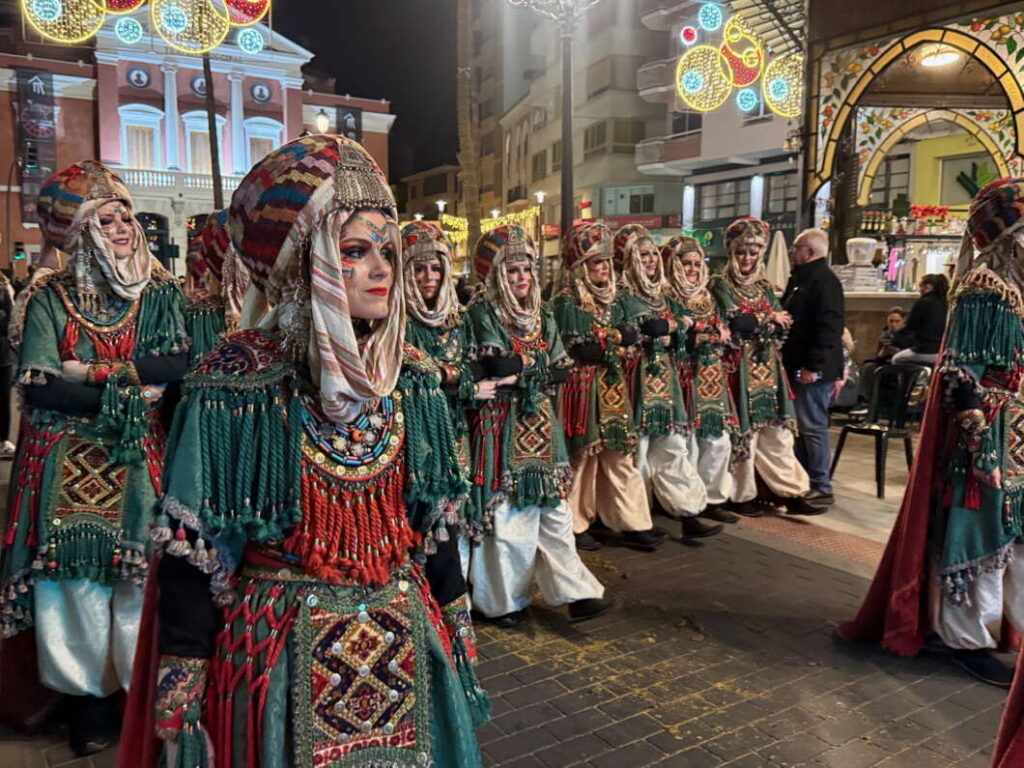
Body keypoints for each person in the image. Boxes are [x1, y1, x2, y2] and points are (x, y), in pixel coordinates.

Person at [119, 135, 488, 767]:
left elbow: (436, 528)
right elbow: (198, 552)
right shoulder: (234, 385)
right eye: (353, 251)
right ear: (300, 262)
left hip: (406, 649)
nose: (381, 269)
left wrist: (457, 641)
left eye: (387, 252)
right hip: (276, 660)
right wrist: (182, 692)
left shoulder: (412, 379)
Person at [0, 160, 189, 756]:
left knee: (139, 582)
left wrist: (98, 373)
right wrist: (131, 390)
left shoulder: (160, 292)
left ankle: (138, 696)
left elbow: (177, 366)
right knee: (74, 587)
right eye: (105, 219)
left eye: (125, 215)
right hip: (66, 471)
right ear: (79, 232)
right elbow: (41, 386)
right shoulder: (50, 298)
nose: (122, 226)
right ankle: (87, 702)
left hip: (138, 465)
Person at [838, 177, 1024, 688]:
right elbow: (962, 374)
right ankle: (966, 638)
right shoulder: (985, 291)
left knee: (1017, 542)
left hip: (1017, 436)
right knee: (979, 539)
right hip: (987, 437)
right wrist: (977, 438)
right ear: (1008, 234)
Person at [465, 224, 609, 628]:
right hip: (500, 426)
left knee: (555, 514)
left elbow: (561, 368)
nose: (522, 278)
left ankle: (578, 593)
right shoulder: (482, 312)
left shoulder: (542, 314)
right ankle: (502, 602)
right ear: (494, 276)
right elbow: (494, 365)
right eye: (512, 271)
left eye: (526, 269)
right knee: (510, 519)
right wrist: (528, 368)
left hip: (542, 426)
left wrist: (521, 368)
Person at [552, 222, 665, 551]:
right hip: (581, 388)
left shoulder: (619, 298)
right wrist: (613, 341)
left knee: (618, 454)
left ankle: (633, 521)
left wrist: (609, 340)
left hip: (612, 386)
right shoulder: (565, 301)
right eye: (594, 263)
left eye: (605, 262)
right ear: (579, 267)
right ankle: (575, 523)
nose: (603, 268)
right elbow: (574, 348)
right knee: (582, 457)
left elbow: (634, 333)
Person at [614, 224, 721, 539]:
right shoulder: (621, 295)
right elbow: (635, 330)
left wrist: (670, 328)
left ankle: (688, 513)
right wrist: (670, 328)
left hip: (664, 377)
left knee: (673, 448)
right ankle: (638, 520)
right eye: (641, 255)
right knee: (638, 455)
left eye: (651, 254)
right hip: (635, 379)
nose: (648, 261)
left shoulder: (661, 294)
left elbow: (680, 331)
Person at [400, 220, 495, 560]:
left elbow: (475, 366)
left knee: (455, 509)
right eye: (419, 269)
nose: (429, 277)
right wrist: (462, 383)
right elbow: (405, 379)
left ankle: (456, 594)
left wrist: (454, 379)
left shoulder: (460, 319)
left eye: (436, 269)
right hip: (415, 435)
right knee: (419, 511)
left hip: (456, 431)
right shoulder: (395, 321)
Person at [710, 217, 812, 516]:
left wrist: (761, 323)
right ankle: (742, 494)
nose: (747, 259)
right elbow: (734, 322)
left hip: (767, 367)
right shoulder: (720, 284)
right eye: (741, 252)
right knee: (745, 434)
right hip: (737, 368)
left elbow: (784, 323)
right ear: (731, 252)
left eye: (753, 253)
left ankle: (791, 490)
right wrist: (768, 320)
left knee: (777, 433)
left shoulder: (765, 286)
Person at [662, 235, 740, 524]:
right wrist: (706, 332)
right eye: (686, 263)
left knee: (719, 439)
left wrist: (706, 331)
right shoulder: (666, 294)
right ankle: (689, 502)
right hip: (681, 373)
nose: (693, 269)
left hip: (710, 373)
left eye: (697, 263)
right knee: (686, 443)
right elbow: (674, 336)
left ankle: (713, 498)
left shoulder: (708, 296)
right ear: (673, 265)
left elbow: (725, 329)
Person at [781, 228, 845, 511]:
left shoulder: (823, 281)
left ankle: (821, 486)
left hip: (811, 368)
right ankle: (804, 480)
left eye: (796, 248)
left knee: (812, 426)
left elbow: (829, 327)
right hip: (798, 363)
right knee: (800, 426)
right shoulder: (804, 279)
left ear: (810, 252)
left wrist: (813, 366)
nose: (793, 253)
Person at [891, 273, 949, 366]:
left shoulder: (923, 303)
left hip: (924, 350)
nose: (919, 290)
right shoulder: (945, 303)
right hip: (941, 351)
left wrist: (896, 339)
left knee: (896, 359)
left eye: (921, 286)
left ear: (929, 286)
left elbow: (910, 326)